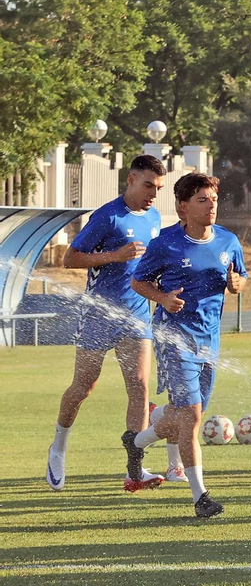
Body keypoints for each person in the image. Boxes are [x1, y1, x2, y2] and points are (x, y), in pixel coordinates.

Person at [128, 172, 247, 518]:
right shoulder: (165, 243)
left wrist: (237, 283)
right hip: (173, 337)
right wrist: (163, 298)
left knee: (185, 416)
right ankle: (200, 497)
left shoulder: (228, 240)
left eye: (213, 199)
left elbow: (240, 276)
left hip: (210, 340)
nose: (211, 206)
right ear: (182, 207)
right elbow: (139, 282)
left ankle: (136, 443)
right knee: (192, 416)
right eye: (202, 200)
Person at [49, 154, 168, 492]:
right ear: (130, 180)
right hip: (98, 315)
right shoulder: (108, 217)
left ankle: (135, 470)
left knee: (140, 388)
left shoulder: (155, 216)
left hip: (136, 315)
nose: (153, 194)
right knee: (83, 388)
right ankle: (58, 446)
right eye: (148, 185)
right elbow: (69, 258)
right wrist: (114, 256)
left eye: (158, 188)